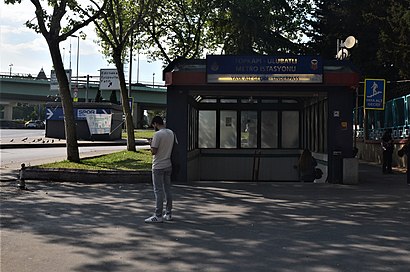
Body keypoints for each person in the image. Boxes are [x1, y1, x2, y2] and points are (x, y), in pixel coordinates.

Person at [145, 116, 175, 223]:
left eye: (153, 125)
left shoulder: (157, 134)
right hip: (168, 164)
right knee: (168, 189)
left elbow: (154, 151)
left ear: (156, 124)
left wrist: (150, 143)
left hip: (158, 165)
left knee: (158, 191)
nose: (153, 127)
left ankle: (158, 215)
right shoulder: (171, 133)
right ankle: (168, 213)